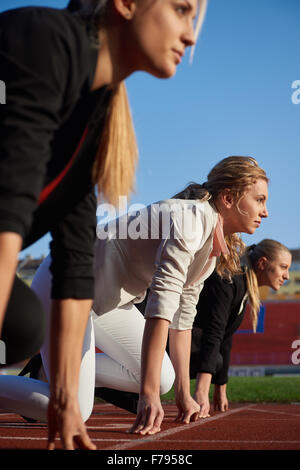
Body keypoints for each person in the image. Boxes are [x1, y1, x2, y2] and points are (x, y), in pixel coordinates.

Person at [0, 0, 207, 450]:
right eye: (181, 9)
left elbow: (75, 261)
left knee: (21, 327)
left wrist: (63, 403)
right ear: (127, 4)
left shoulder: (96, 117)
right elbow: (9, 204)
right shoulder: (44, 40)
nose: (190, 35)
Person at [0, 155, 269, 437]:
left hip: (107, 303)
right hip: (64, 286)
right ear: (228, 198)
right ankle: (61, 380)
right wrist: (147, 395)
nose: (265, 212)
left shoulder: (209, 254)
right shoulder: (191, 220)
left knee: (164, 377)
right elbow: (160, 307)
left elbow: (181, 320)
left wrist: (183, 393)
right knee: (77, 409)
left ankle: (52, 373)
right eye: (260, 199)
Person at [190, 239, 292, 418]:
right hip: (169, 339)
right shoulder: (231, 278)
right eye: (283, 267)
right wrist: (201, 391)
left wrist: (221, 387)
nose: (287, 276)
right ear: (262, 263)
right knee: (214, 360)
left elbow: (225, 337)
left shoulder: (243, 283)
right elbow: (214, 332)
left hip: (188, 341)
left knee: (218, 360)